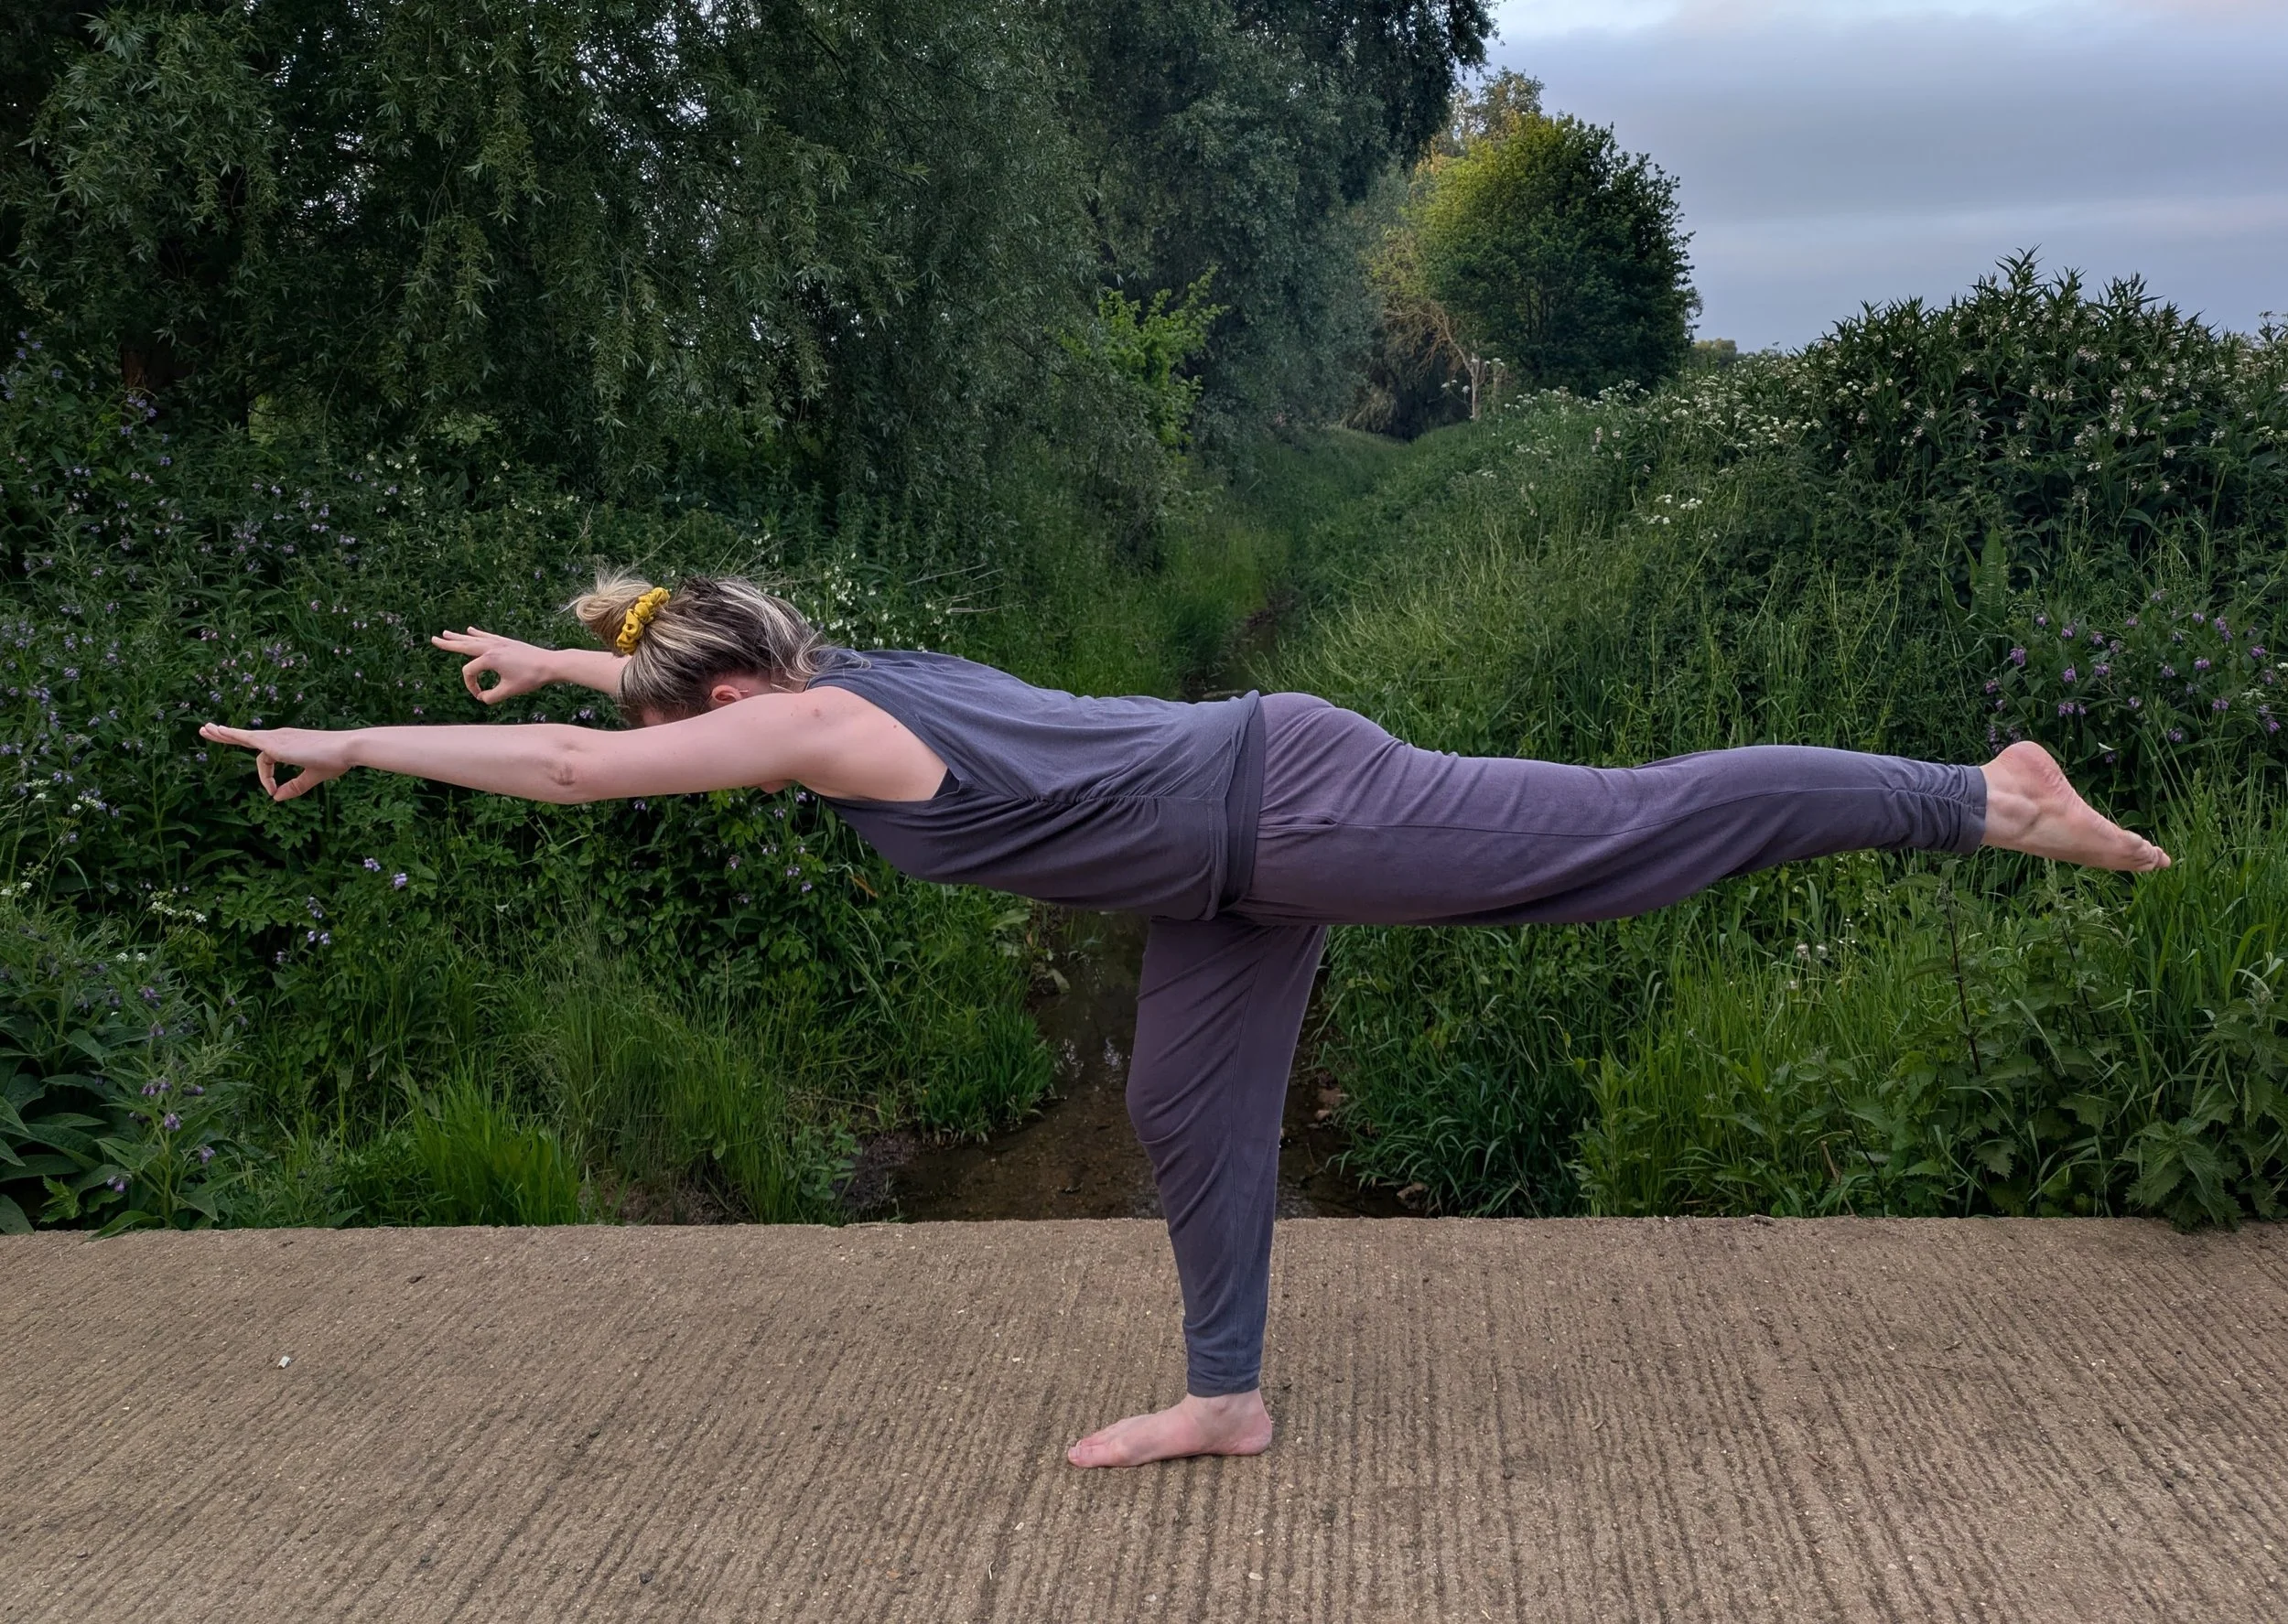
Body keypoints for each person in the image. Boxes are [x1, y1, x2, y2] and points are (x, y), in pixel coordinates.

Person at [200, 573, 2171, 1469]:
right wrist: (567, 646)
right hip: (1222, 873)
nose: (650, 751)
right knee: (1181, 1103)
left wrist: (358, 741)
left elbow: (572, 774)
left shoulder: (798, 720)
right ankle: (1225, 1389)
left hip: (1288, 802)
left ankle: (1977, 794)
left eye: (654, 722)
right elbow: (665, 651)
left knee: (1614, 832)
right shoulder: (812, 667)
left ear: (715, 710)